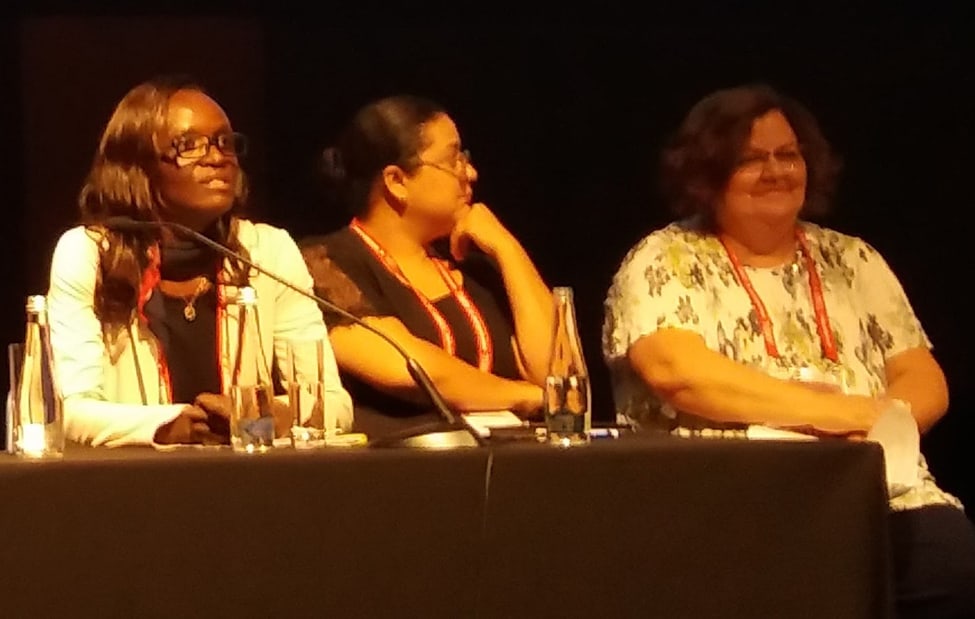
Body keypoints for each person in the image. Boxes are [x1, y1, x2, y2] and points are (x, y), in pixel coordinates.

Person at [602, 83, 975, 618]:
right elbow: (676, 372)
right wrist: (841, 414)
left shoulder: (853, 259)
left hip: (874, 498)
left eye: (788, 154)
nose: (776, 171)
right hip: (731, 506)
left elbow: (924, 377)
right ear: (708, 174)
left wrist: (880, 426)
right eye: (751, 159)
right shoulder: (665, 258)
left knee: (957, 573)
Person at [46, 75, 353, 447]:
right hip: (131, 489)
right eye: (189, 145)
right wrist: (169, 425)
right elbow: (69, 412)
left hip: (249, 487)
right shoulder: (89, 253)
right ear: (138, 164)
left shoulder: (268, 251)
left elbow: (335, 405)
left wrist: (269, 415)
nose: (216, 158)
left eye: (225, 143)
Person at [298, 95, 551, 438]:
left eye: (466, 158)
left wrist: (508, 249)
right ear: (397, 181)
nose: (471, 174)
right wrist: (528, 397)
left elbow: (555, 372)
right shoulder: (326, 261)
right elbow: (409, 369)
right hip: (402, 472)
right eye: (454, 159)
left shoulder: (475, 269)